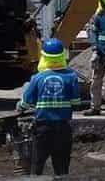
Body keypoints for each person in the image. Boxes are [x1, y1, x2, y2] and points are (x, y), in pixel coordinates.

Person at [18, 38, 81, 176]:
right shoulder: (71, 77)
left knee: (38, 163)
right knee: (62, 165)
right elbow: (76, 103)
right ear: (62, 56)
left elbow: (25, 103)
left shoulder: (37, 78)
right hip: (63, 128)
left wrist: (20, 107)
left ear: (44, 56)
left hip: (43, 128)